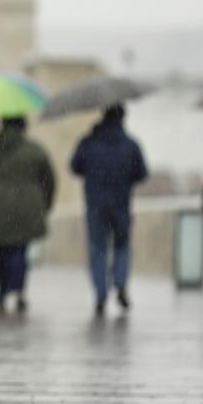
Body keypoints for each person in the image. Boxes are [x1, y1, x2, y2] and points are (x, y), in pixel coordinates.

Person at [0, 116, 56, 313]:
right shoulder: (35, 150)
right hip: (27, 207)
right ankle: (19, 289)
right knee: (20, 250)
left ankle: (2, 290)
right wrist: (45, 205)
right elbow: (49, 180)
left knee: (2, 251)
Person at [70, 104, 148, 316]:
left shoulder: (88, 143)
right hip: (121, 204)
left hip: (95, 204)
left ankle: (101, 293)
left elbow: (75, 167)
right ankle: (120, 283)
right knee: (122, 246)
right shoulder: (131, 145)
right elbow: (142, 173)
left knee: (98, 248)